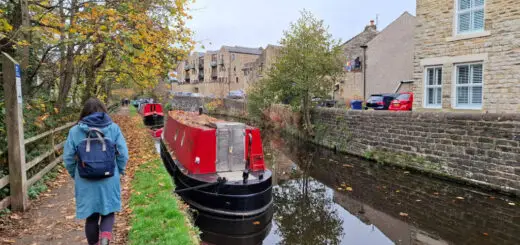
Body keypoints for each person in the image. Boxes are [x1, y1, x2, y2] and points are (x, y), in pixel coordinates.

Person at [63, 98, 129, 245]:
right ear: (103, 111)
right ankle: (105, 239)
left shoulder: (74, 131)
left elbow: (68, 157)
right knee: (108, 211)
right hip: (109, 177)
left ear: (84, 113)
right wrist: (120, 170)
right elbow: (123, 153)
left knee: (91, 216)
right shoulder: (113, 128)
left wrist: (75, 173)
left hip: (85, 179)